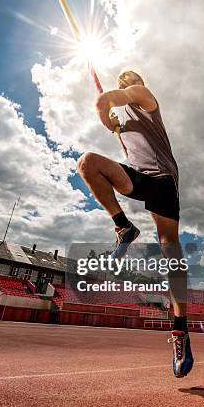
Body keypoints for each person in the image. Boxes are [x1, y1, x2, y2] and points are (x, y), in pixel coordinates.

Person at [77, 69, 193, 377]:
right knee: (88, 162)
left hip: (163, 179)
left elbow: (103, 100)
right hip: (139, 177)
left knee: (170, 247)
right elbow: (109, 107)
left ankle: (180, 328)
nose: (124, 79)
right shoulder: (124, 121)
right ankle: (123, 226)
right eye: (122, 78)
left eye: (129, 76)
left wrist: (105, 116)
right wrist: (113, 125)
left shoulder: (144, 95)